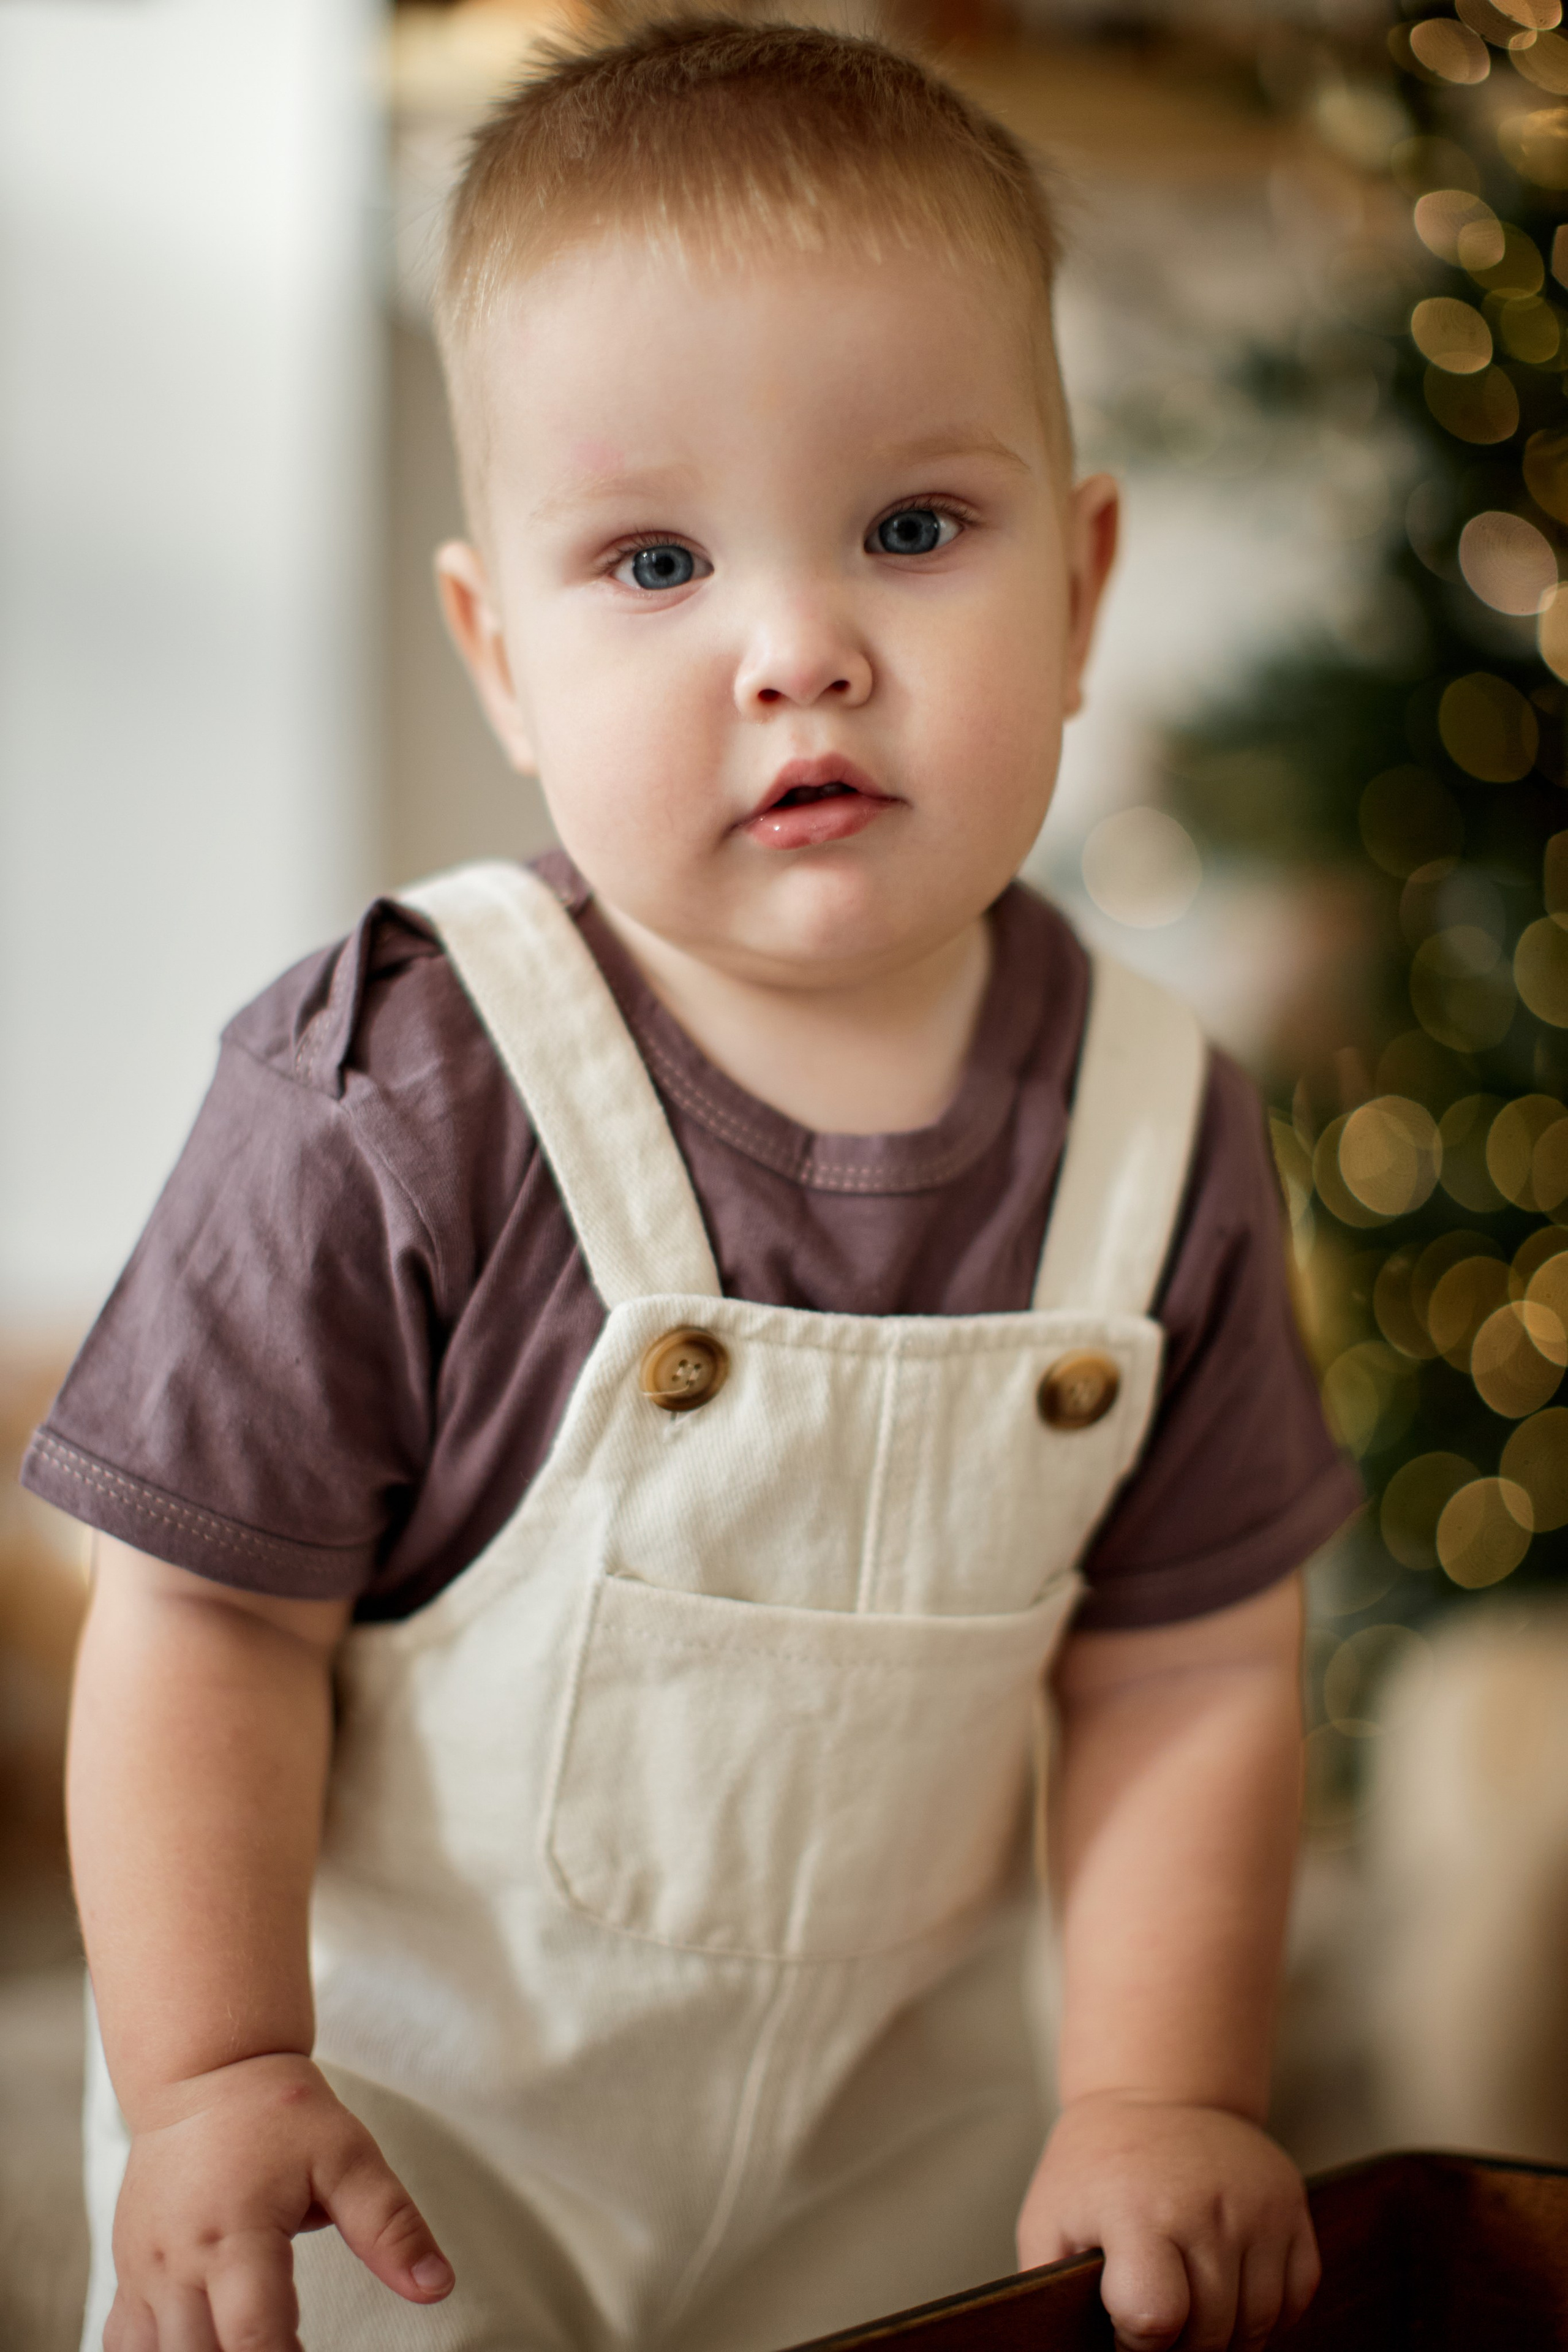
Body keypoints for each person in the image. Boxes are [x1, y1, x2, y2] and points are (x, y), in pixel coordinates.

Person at [26, 17, 1362, 2351]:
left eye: (917, 530)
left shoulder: (1159, 1130)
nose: (800, 651)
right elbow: (204, 1624)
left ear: (1085, 582)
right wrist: (216, 2066)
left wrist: (1162, 2092)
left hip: (904, 2147)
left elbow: (1191, 1673)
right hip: (401, 2149)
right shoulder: (394, 1083)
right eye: (653, 561)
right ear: (501, 653)